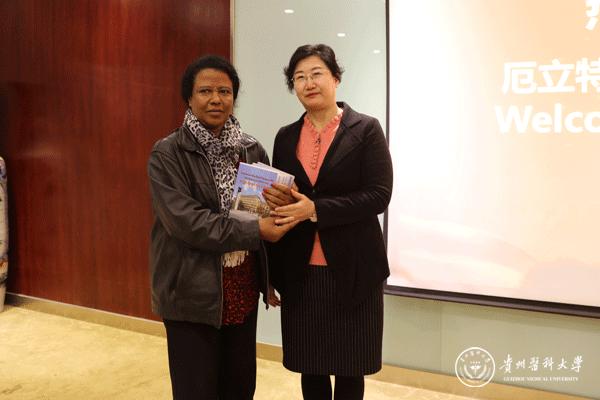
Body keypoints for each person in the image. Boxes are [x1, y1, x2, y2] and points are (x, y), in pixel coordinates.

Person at [148, 55, 296, 400]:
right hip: (192, 295)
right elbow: (188, 223)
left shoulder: (251, 149)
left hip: (241, 289)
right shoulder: (168, 153)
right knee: (196, 390)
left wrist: (283, 203)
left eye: (225, 91)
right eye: (205, 91)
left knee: (239, 388)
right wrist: (258, 231)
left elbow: (261, 212)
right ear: (189, 98)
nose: (216, 99)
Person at [264, 44, 393, 400]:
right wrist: (271, 271)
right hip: (301, 270)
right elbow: (282, 202)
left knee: (351, 367)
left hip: (354, 269)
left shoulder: (366, 129)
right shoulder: (285, 136)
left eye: (316, 73)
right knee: (312, 366)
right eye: (299, 77)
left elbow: (379, 195)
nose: (308, 83)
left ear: (335, 78)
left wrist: (316, 209)